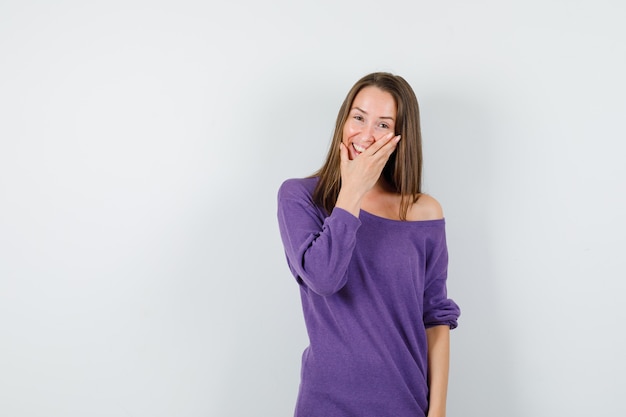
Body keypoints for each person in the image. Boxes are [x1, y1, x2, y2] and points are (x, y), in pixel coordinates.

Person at [277, 72, 460, 417]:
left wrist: (437, 412)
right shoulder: (301, 197)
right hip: (326, 404)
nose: (365, 134)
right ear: (343, 121)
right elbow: (324, 279)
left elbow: (435, 316)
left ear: (400, 137)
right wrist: (352, 191)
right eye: (359, 117)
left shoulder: (423, 211)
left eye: (382, 124)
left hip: (404, 404)